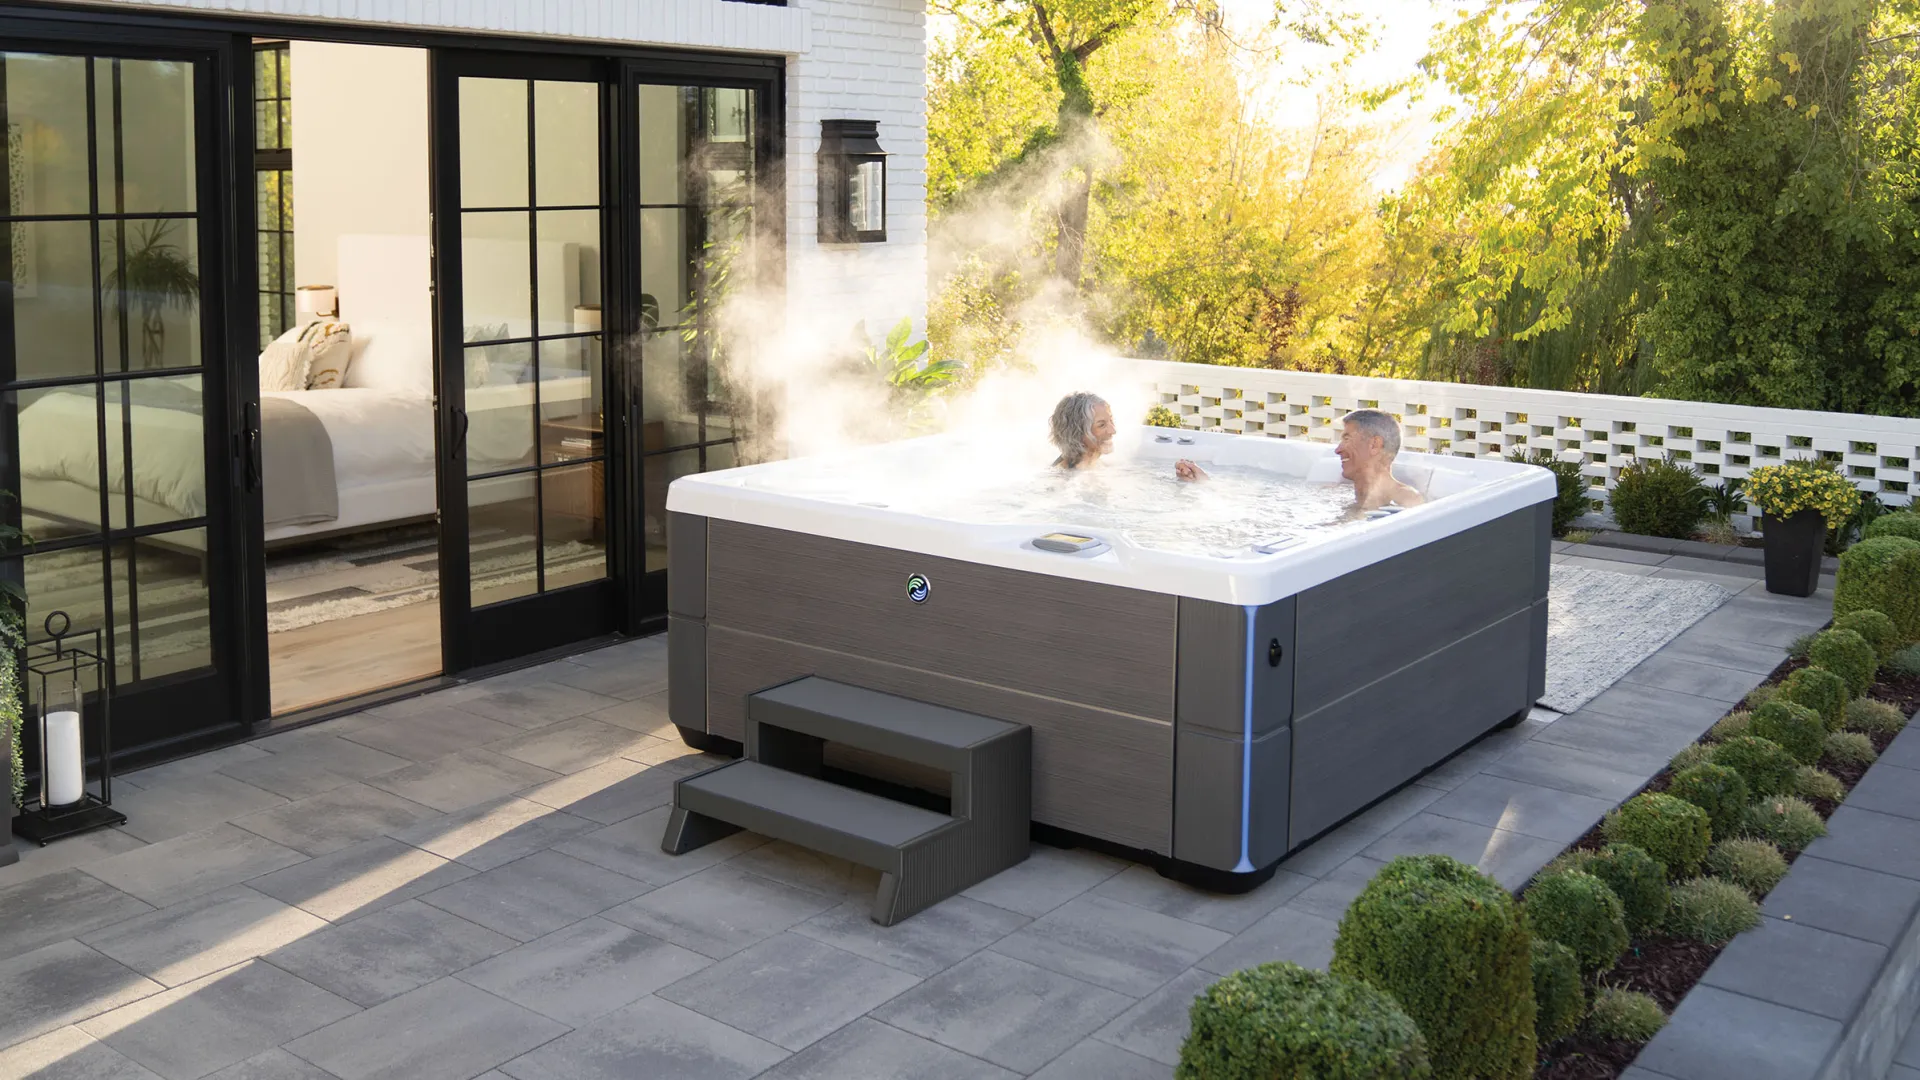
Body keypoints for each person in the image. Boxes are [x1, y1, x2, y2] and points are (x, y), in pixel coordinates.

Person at [1048, 391, 1206, 481]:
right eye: (1102, 425)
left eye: (1111, 421)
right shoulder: (1062, 482)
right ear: (1077, 433)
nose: (1113, 431)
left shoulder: (1102, 468)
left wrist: (1189, 481)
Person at [1336, 408, 1425, 512]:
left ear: (1374, 445)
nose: (1338, 450)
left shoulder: (1407, 501)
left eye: (1347, 439)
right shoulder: (1340, 494)